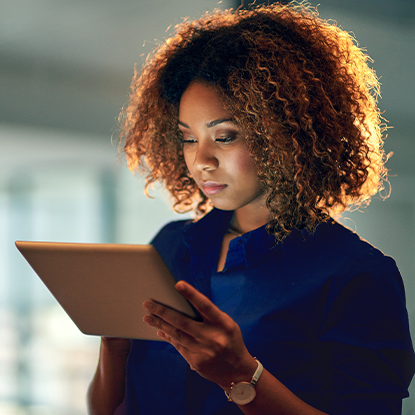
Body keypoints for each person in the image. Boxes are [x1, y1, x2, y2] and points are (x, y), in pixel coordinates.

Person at [87, 3, 415, 414]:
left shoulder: (355, 276)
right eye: (188, 138)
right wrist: (113, 345)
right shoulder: (171, 246)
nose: (201, 160)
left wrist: (240, 374)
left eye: (224, 136)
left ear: (286, 135)